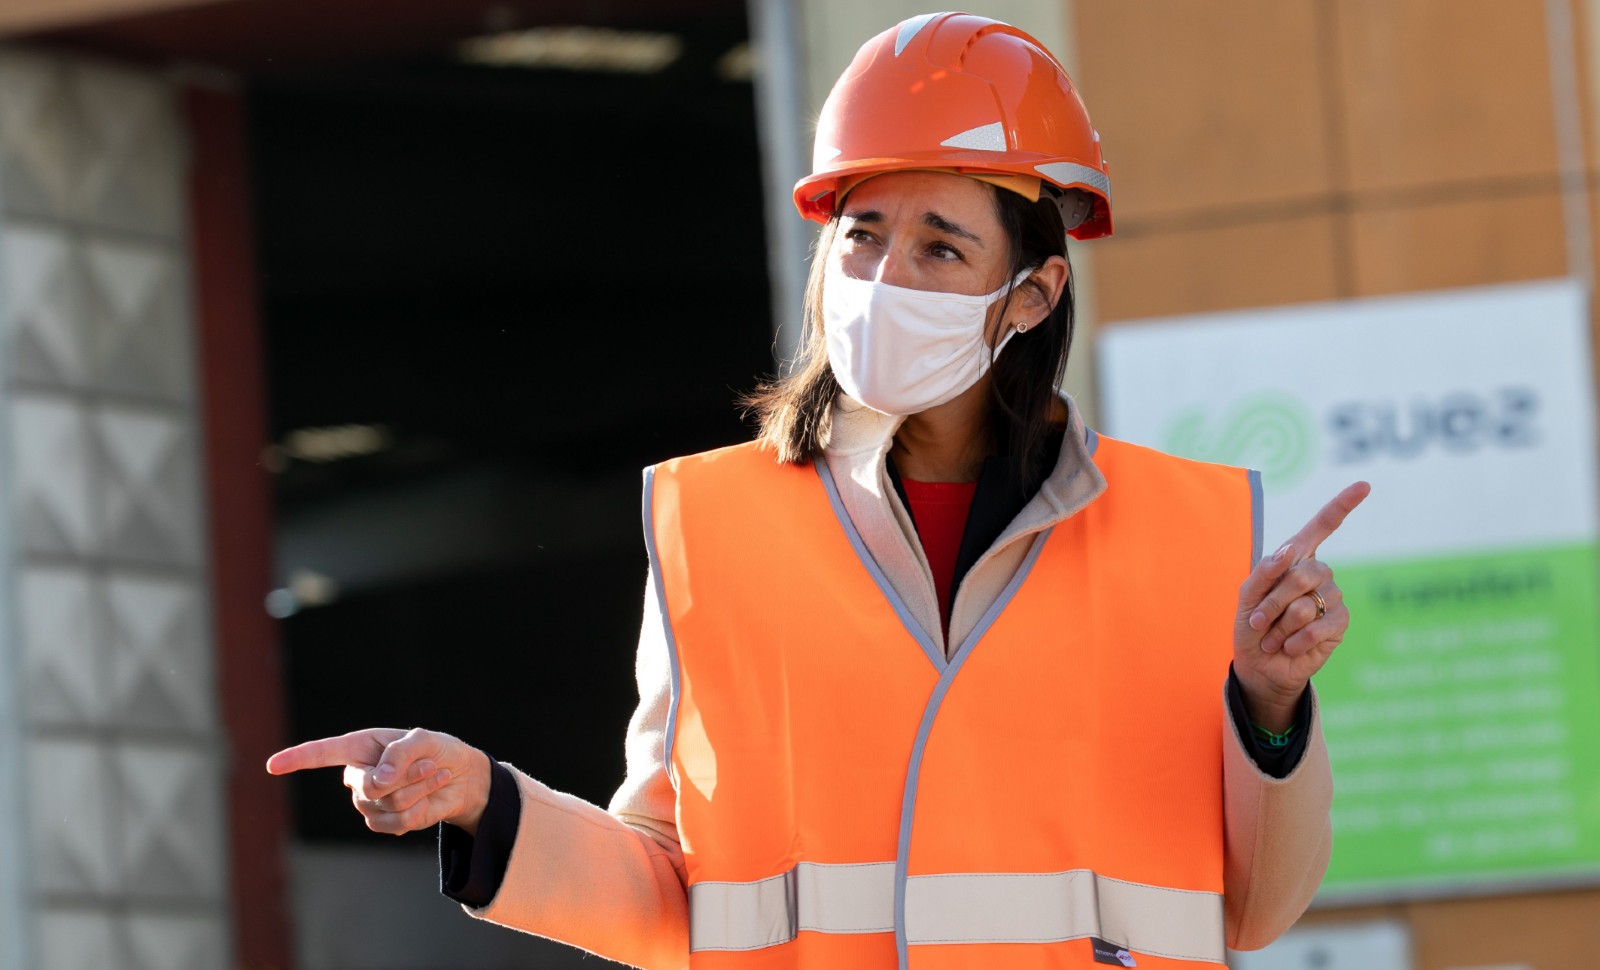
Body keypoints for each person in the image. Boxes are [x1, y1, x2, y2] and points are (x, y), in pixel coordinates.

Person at [268, 12, 1370, 969]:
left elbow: (1256, 908)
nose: (886, 280)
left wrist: (1271, 706)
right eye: (864, 237)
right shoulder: (713, 529)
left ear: (1033, 295)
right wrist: (483, 800)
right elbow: (669, 896)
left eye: (940, 249)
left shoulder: (1186, 536)